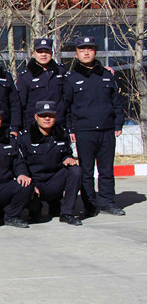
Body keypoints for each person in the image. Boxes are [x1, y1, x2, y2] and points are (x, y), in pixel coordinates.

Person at [63, 36, 126, 217]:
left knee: (106, 170)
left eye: (90, 49)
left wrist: (118, 123)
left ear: (95, 52)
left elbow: (116, 102)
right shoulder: (71, 78)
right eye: (82, 49)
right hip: (84, 131)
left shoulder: (107, 75)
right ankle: (90, 205)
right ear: (76, 54)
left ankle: (108, 202)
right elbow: (66, 106)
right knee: (87, 171)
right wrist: (70, 129)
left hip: (106, 130)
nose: (86, 52)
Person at [19, 101, 82, 226]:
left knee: (76, 170)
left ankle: (67, 213)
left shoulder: (62, 133)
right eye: (43, 115)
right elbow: (20, 162)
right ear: (36, 116)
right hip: (35, 182)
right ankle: (34, 211)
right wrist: (29, 184)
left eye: (50, 115)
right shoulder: (25, 137)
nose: (47, 118)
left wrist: (68, 158)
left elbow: (67, 153)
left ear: (55, 116)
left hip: (54, 181)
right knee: (23, 185)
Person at [18, 38, 67, 126]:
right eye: (40, 52)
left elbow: (67, 99)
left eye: (47, 51)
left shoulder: (61, 72)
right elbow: (21, 105)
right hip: (34, 125)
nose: (43, 55)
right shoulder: (25, 76)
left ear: (51, 53)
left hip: (58, 123)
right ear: (33, 54)